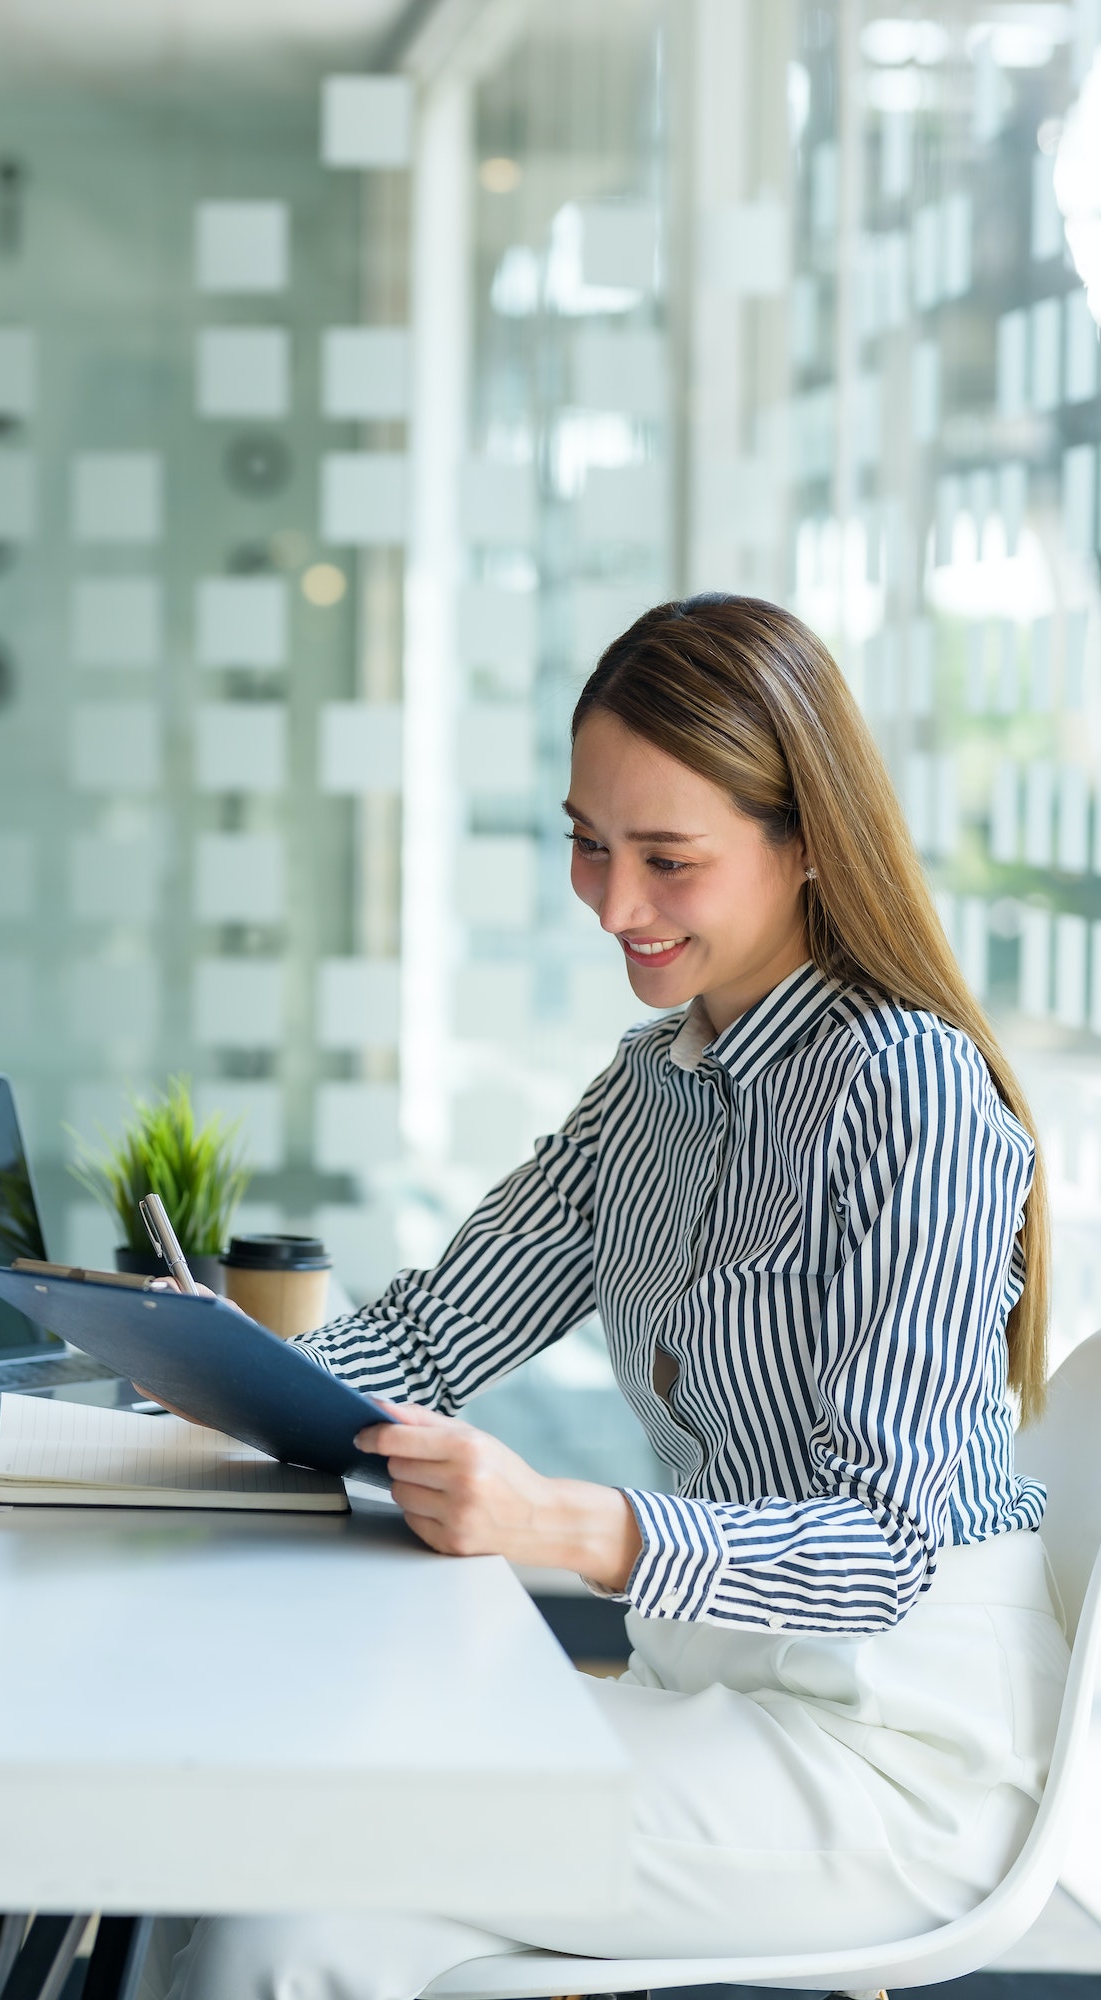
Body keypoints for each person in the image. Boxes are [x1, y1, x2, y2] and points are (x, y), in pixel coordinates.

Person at [162, 594, 1069, 2000]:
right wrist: (160, 1386)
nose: (618, 904)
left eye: (670, 859)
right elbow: (426, 1332)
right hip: (706, 1697)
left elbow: (887, 1548)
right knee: (280, 1899)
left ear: (806, 844)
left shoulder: (910, 1095)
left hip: (883, 1754)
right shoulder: (650, 1088)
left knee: (306, 1861)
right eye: (591, 845)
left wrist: (560, 1524)